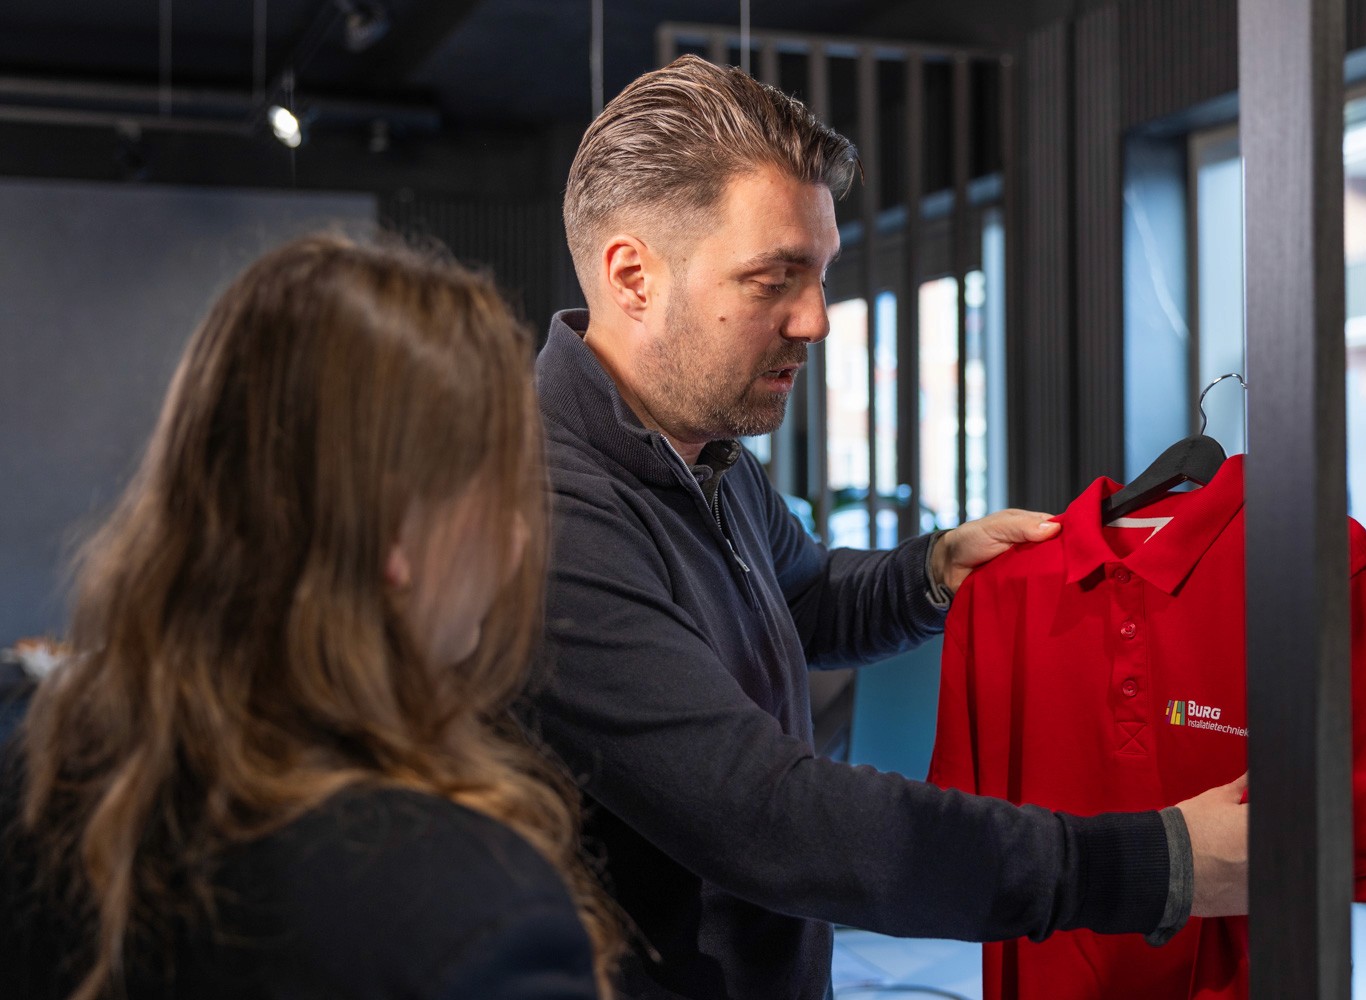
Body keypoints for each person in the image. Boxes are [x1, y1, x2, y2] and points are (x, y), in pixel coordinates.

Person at [528, 54, 1249, 1000]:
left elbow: (802, 600)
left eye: (820, 275)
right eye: (774, 279)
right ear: (632, 276)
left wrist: (936, 568)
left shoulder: (705, 455)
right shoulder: (546, 516)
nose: (816, 321)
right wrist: (1156, 863)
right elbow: (773, 819)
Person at [0, 235, 621, 999]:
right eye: (501, 488)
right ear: (396, 532)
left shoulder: (36, 795)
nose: (518, 536)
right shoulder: (465, 911)